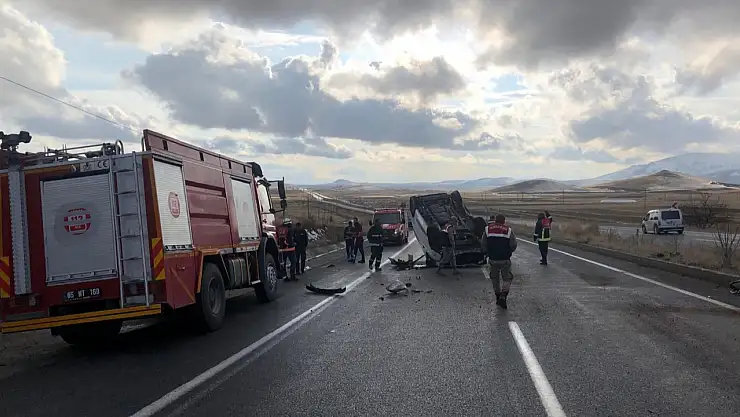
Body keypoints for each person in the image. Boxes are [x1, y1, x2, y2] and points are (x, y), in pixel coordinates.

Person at [481, 214, 517, 309]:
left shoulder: (487, 229)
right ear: (504, 221)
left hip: (493, 258)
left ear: (495, 220)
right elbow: (513, 244)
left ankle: (497, 296)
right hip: (505, 259)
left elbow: (483, 244)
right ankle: (503, 296)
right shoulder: (508, 230)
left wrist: (487, 253)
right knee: (507, 278)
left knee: (495, 279)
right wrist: (509, 252)